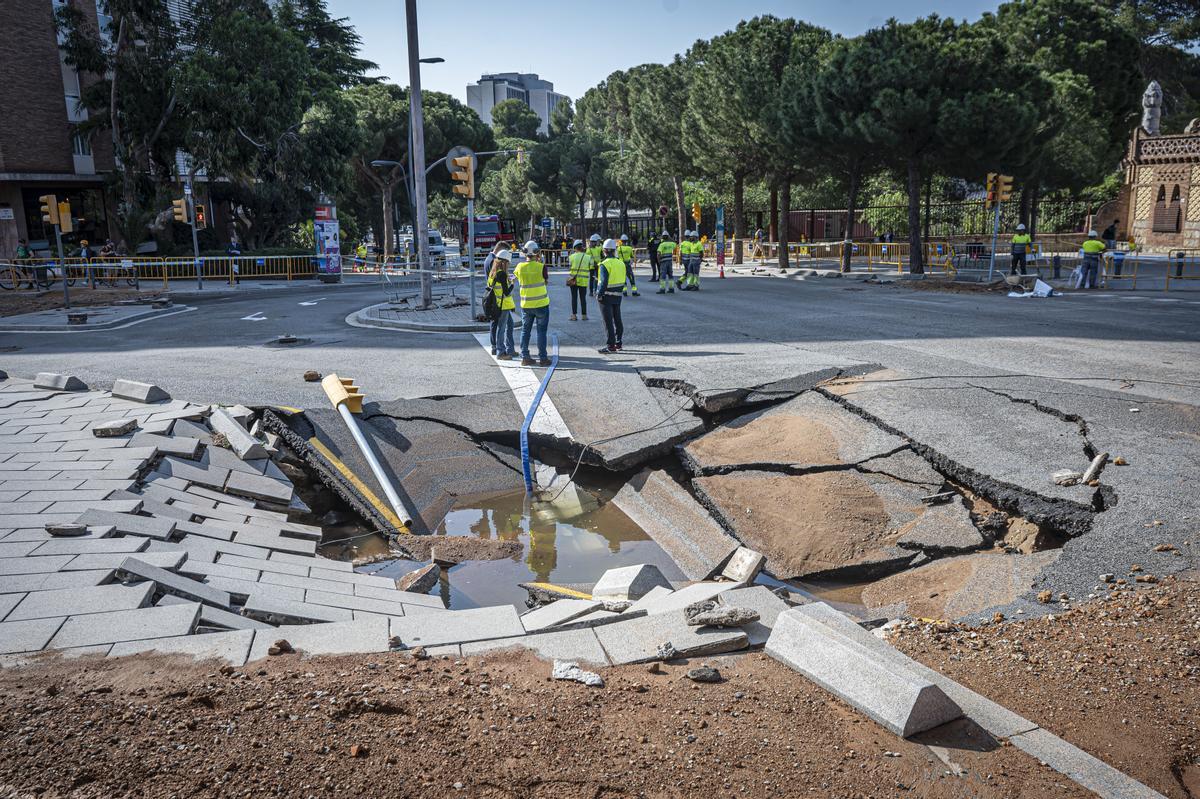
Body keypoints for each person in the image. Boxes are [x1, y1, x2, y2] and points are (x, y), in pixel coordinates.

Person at [514, 240, 551, 366]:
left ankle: (525, 356)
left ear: (525, 252)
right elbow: (546, 281)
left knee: (525, 331)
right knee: (541, 332)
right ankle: (543, 358)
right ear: (537, 253)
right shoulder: (541, 267)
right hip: (541, 304)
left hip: (526, 305)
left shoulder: (519, 267)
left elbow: (517, 278)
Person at [595, 238, 627, 354]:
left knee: (608, 321)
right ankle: (618, 343)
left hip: (606, 296)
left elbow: (603, 282)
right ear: (614, 250)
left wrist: (599, 294)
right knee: (617, 319)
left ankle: (610, 345)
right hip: (617, 295)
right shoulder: (621, 263)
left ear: (604, 250)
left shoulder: (604, 264)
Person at [487, 249, 516, 360]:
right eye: (508, 263)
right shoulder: (502, 274)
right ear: (504, 262)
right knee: (502, 328)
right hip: (503, 306)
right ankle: (501, 352)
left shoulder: (493, 272)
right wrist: (512, 283)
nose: (508, 265)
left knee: (510, 325)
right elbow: (506, 292)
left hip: (499, 304)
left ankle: (510, 349)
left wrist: (507, 280)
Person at [566, 239, 592, 321]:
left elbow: (569, 268)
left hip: (573, 280)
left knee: (574, 298)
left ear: (575, 248)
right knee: (583, 298)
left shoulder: (571, 257)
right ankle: (584, 315)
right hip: (583, 281)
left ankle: (574, 316)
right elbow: (591, 267)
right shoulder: (588, 257)